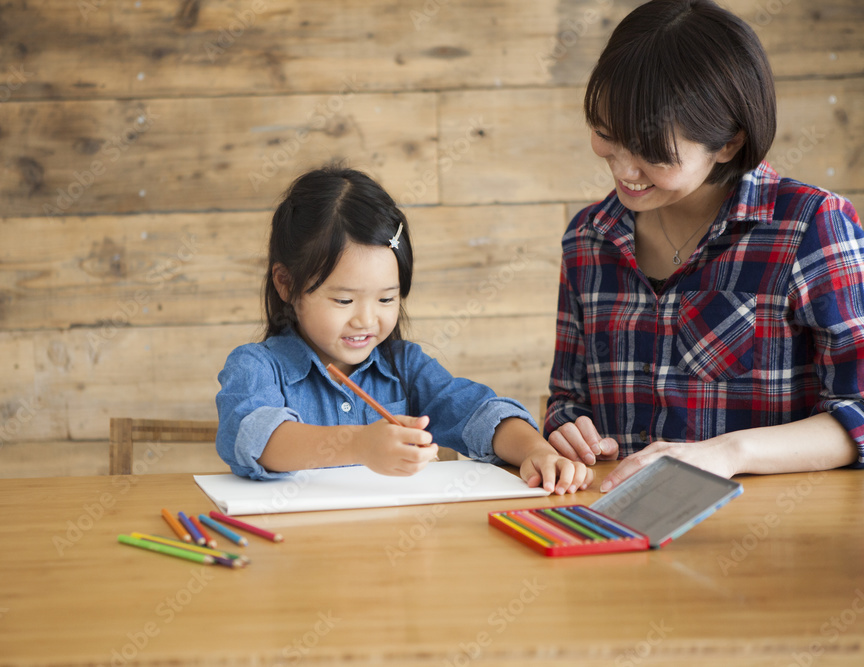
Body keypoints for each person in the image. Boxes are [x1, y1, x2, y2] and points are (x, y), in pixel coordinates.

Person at [544, 0, 864, 491]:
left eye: (652, 154)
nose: (625, 170)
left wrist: (730, 452)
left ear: (729, 142)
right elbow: (568, 398)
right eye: (608, 136)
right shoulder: (588, 238)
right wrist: (568, 430)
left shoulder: (810, 229)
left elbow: (859, 414)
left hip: (768, 538)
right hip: (612, 525)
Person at [217, 165, 592, 493]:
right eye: (344, 301)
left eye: (386, 300)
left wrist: (535, 451)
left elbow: (479, 413)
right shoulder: (256, 366)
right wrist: (360, 444)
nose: (365, 320)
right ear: (285, 283)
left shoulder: (406, 367)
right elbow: (256, 437)